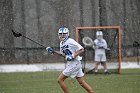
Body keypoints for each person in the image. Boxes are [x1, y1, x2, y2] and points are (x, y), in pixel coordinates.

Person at [46, 26, 94, 93]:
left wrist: (72, 56)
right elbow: (63, 55)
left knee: (60, 80)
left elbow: (81, 49)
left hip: (74, 64)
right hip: (73, 64)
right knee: (81, 82)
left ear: (67, 34)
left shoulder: (70, 41)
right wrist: (53, 51)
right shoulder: (61, 43)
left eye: (64, 34)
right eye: (60, 34)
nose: (62, 35)